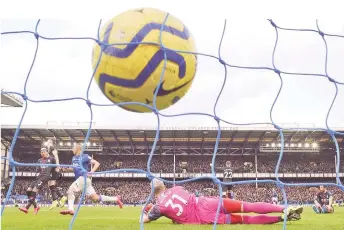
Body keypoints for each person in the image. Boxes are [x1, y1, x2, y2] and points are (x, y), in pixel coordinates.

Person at [141, 178, 303, 225]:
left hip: (203, 218)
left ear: (152, 192)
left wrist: (145, 212)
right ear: (163, 184)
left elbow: (146, 220)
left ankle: (282, 219)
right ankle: (284, 208)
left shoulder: (158, 207)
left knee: (245, 219)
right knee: (247, 206)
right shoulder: (177, 188)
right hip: (206, 202)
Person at [60, 143, 123, 215]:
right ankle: (116, 199)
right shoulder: (74, 158)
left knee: (70, 191)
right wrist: (66, 169)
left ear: (78, 148)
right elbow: (74, 169)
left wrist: (91, 172)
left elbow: (97, 163)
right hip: (84, 181)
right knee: (95, 198)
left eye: (73, 148)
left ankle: (71, 209)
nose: (72, 149)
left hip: (83, 178)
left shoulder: (85, 156)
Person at [18, 147, 56, 214]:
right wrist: (37, 168)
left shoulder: (51, 159)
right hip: (39, 177)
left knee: (34, 191)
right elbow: (37, 169)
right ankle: (36, 207)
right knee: (28, 191)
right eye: (41, 152)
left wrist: (52, 175)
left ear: (47, 152)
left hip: (45, 177)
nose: (43, 153)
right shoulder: (39, 160)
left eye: (44, 152)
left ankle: (26, 208)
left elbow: (55, 167)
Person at [45, 139, 67, 210]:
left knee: (51, 184)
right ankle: (61, 197)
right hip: (51, 168)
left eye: (48, 142)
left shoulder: (51, 147)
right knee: (50, 184)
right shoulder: (49, 150)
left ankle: (55, 200)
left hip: (53, 167)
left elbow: (56, 155)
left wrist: (57, 166)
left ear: (50, 142)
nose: (47, 143)